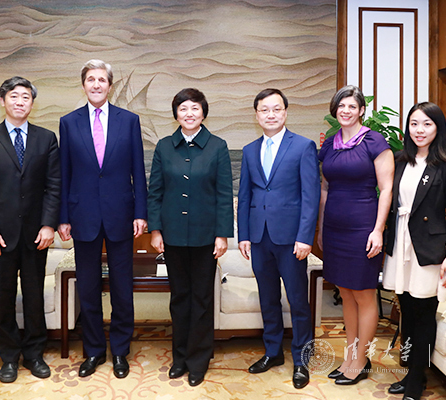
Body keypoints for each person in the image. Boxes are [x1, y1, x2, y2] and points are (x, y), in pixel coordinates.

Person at [58, 59, 148, 379]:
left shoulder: (129, 121)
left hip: (121, 214)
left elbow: (138, 170)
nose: (96, 84)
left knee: (123, 287)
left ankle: (120, 350)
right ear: (83, 84)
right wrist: (63, 217)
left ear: (110, 85)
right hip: (82, 215)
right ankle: (94, 350)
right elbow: (64, 173)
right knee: (88, 287)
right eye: (91, 79)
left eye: (102, 80)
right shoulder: (68, 123)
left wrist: (141, 213)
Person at [0, 76, 60, 383]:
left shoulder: (46, 138)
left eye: (26, 97)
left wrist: (48, 224)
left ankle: (34, 354)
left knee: (34, 296)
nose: (20, 101)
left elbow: (53, 185)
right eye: (14, 96)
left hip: (36, 234)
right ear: (2, 101)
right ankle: (9, 357)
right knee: (4, 297)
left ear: (32, 103)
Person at [148, 88, 233, 386]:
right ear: (176, 114)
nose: (189, 113)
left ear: (203, 113)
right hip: (172, 236)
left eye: (195, 108)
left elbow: (224, 194)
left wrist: (222, 234)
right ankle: (180, 357)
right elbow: (155, 192)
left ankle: (198, 360)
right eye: (183, 108)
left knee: (202, 299)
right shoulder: (164, 147)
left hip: (206, 237)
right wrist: (155, 230)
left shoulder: (218, 147)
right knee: (179, 298)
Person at [237, 88, 320, 389]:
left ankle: (301, 359)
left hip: (291, 239)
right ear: (256, 114)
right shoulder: (249, 150)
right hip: (259, 237)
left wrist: (305, 237)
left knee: (298, 300)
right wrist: (243, 235)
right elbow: (245, 195)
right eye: (264, 110)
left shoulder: (303, 146)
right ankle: (273, 352)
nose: (270, 115)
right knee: (268, 298)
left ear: (285, 112)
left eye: (276, 109)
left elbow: (310, 196)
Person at [383, 102, 446, 400]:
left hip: (429, 247)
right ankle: (411, 372)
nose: (420, 130)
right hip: (400, 241)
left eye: (427, 124)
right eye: (414, 123)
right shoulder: (400, 160)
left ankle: (418, 378)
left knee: (425, 312)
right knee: (407, 309)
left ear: (438, 128)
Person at [317, 85, 394, 385]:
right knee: (346, 292)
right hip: (334, 228)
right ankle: (350, 356)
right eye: (341, 106)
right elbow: (325, 188)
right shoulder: (330, 145)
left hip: (363, 227)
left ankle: (361, 360)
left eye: (352, 106)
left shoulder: (375, 141)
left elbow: (386, 188)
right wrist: (321, 227)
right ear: (334, 110)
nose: (345, 111)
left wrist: (378, 229)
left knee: (363, 293)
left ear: (362, 110)